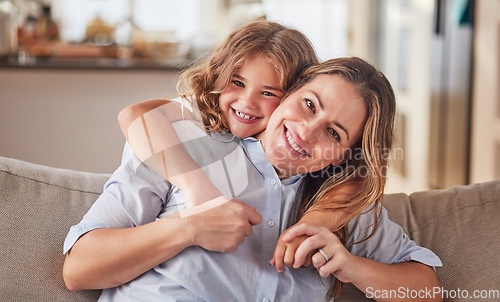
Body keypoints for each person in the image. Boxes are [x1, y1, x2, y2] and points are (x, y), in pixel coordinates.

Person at [63, 57, 442, 301]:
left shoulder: (341, 206)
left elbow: (427, 292)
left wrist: (350, 266)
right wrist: (187, 228)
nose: (307, 131)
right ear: (286, 92)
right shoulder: (180, 147)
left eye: (334, 133)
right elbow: (79, 269)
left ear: (347, 155)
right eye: (308, 104)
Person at [117, 20, 356, 271]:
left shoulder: (295, 152)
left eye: (268, 93)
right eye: (238, 83)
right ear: (220, 76)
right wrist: (198, 189)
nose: (247, 102)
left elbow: (357, 178)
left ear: (291, 97)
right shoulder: (203, 112)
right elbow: (133, 115)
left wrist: (316, 220)